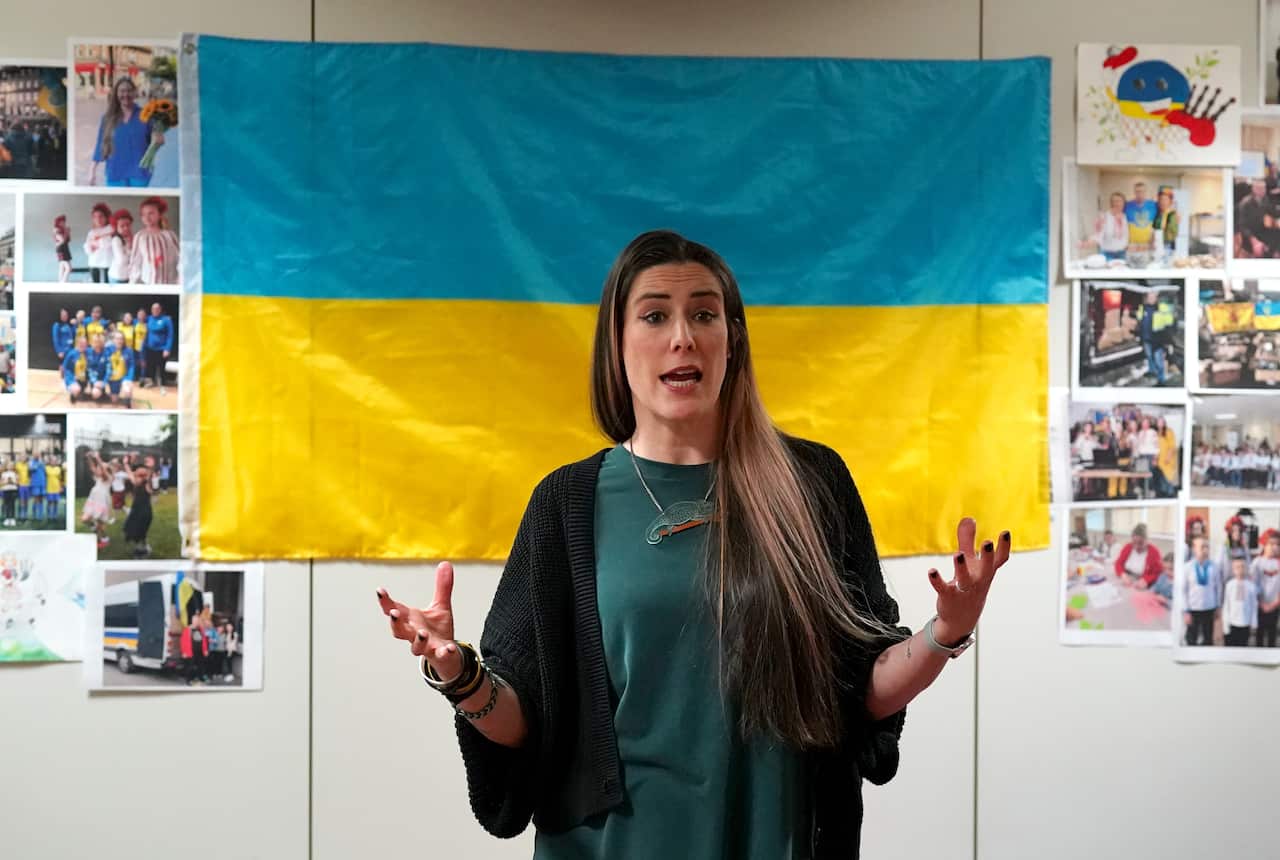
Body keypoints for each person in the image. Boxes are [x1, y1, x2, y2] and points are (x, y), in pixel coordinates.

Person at [373, 230, 1012, 858]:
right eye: (655, 315)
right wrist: (457, 672)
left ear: (732, 340)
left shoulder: (811, 483)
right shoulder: (565, 503)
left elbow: (862, 693)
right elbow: (524, 723)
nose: (683, 336)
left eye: (704, 314)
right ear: (617, 344)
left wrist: (946, 631)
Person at [89, 77, 162, 188]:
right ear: (116, 94)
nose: (126, 94)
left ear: (134, 93)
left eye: (129, 90)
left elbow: (154, 141)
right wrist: (92, 171)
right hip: (115, 173)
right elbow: (100, 144)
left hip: (140, 173)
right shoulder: (107, 118)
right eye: (122, 91)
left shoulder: (146, 115)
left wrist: (157, 140)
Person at [130, 197, 179, 285]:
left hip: (169, 283)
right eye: (143, 214)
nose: (147, 217)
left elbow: (181, 258)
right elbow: (135, 262)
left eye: (151, 213)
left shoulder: (169, 235)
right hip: (149, 283)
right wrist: (133, 283)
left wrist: (180, 279)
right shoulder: (140, 236)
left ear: (160, 215)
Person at [1183, 536, 1223, 646]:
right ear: (1194, 549)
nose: (1205, 550)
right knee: (1191, 638)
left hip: (1209, 608)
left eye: (1207, 547)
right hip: (1193, 608)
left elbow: (1218, 588)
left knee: (1208, 639)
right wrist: (1185, 611)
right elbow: (1183, 590)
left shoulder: (1214, 567)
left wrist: (1218, 606)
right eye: (1202, 547)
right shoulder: (1187, 568)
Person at [1135, 291, 1175, 385]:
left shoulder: (1162, 307)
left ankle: (1161, 380)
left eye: (1153, 297)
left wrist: (1166, 315)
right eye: (1149, 297)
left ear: (1156, 298)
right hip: (1146, 338)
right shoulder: (1143, 307)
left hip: (1158, 339)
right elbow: (1139, 319)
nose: (1151, 299)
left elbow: (1169, 322)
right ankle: (1152, 373)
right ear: (1147, 298)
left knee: (1158, 359)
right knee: (1149, 357)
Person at [1221, 556, 1259, 647]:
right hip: (1232, 623)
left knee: (1243, 648)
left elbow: (1254, 606)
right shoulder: (1229, 585)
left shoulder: (1251, 586)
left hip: (1245, 623)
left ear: (1246, 568)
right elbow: (1226, 605)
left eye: (1242, 567)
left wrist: (1254, 623)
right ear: (1233, 569)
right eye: (1237, 567)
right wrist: (1225, 625)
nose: (1240, 570)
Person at [1252, 530, 1280, 648]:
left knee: (1272, 634)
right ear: (1264, 545)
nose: (1275, 547)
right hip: (1260, 605)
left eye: (1277, 544)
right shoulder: (1257, 562)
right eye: (1271, 544)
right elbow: (1253, 584)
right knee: (1260, 633)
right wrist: (1260, 603)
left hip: (1275, 605)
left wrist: (1275, 603)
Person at [80, 450, 114, 549]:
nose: (98, 469)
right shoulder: (98, 478)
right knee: (84, 519)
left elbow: (102, 468)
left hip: (102, 503)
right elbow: (92, 467)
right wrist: (89, 458)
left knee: (101, 526)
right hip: (93, 501)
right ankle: (95, 529)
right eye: (98, 468)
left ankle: (104, 539)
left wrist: (97, 458)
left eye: (100, 468)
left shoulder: (109, 478)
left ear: (106, 470)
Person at [1115, 522, 1161, 589]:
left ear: (1147, 540)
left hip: (1142, 583)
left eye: (1140, 543)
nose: (1136, 546)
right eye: (1134, 542)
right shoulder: (1127, 547)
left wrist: (1146, 580)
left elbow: (1158, 573)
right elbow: (1118, 563)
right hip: (1127, 579)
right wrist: (1122, 574)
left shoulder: (1154, 552)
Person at [143, 302, 174, 393]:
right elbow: (138, 320)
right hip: (150, 348)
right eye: (153, 309)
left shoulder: (166, 320)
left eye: (157, 309)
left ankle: (163, 385)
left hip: (162, 349)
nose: (155, 310)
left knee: (161, 367)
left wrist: (167, 349)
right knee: (151, 366)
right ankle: (152, 382)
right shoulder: (149, 318)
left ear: (160, 309)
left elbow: (170, 335)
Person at [123, 463, 153, 559]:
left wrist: (150, 468)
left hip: (144, 513)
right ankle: (143, 547)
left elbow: (149, 477)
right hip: (136, 512)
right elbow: (129, 473)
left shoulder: (147, 484)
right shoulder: (136, 483)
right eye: (135, 474)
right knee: (132, 530)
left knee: (139, 532)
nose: (135, 475)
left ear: (143, 477)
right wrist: (125, 464)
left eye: (138, 474)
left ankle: (142, 551)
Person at [1091, 192, 1129, 261]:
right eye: (1115, 201)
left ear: (1123, 203)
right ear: (1111, 203)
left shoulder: (1124, 217)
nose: (1117, 204)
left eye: (1120, 201)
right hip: (1107, 253)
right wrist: (1090, 242)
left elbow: (1125, 235)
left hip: (1122, 253)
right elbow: (1098, 235)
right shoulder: (1103, 216)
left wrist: (1126, 246)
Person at [83, 202, 114, 283]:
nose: (98, 219)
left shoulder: (111, 229)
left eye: (101, 216)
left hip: (107, 261)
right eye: (95, 217)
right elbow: (87, 246)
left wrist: (97, 243)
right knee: (95, 283)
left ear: (106, 217)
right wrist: (90, 248)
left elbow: (109, 243)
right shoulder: (92, 232)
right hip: (94, 261)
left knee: (107, 283)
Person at [104, 330, 136, 408]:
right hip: (112, 378)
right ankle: (108, 394)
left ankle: (128, 402)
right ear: (113, 340)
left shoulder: (128, 351)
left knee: (127, 390)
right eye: (117, 339)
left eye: (121, 339)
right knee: (114, 400)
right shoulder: (107, 350)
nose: (119, 341)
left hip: (123, 377)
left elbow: (131, 366)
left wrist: (129, 378)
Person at [1124, 181, 1157, 249]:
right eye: (1138, 191)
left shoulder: (1153, 205)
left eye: (1142, 191)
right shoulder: (1127, 205)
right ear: (1134, 192)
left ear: (1145, 192)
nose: (1140, 194)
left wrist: (1173, 213)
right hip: (1132, 245)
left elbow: (1164, 211)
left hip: (1149, 245)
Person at [61, 335, 92, 404]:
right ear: (77, 344)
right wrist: (64, 378)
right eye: (81, 344)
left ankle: (81, 390)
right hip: (72, 377)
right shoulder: (71, 354)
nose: (83, 345)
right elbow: (63, 367)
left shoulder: (88, 352)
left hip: (83, 377)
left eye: (85, 344)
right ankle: (72, 391)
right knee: (76, 389)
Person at [1153, 416, 1179, 499]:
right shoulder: (1157, 433)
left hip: (1168, 459)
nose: (1160, 423)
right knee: (1162, 478)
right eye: (1158, 422)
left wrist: (1168, 458)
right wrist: (1155, 458)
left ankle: (1171, 494)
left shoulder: (1169, 431)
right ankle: (1164, 495)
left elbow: (1172, 446)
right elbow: (1156, 447)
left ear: (1164, 423)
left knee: (1168, 477)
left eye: (1161, 422)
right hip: (1160, 460)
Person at [108, 209, 134, 284]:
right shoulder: (116, 240)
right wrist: (129, 249)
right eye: (122, 226)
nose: (126, 228)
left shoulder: (130, 237)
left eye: (128, 225)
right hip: (118, 276)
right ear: (116, 227)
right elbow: (121, 260)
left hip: (128, 275)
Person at [1152, 185, 1179, 258]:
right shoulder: (1157, 214)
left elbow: (1174, 233)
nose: (1163, 202)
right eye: (1161, 199)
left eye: (1165, 199)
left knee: (1168, 263)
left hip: (1168, 246)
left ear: (1170, 202)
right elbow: (1154, 229)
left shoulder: (1172, 214)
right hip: (1157, 246)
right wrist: (1153, 241)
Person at [44, 455, 63, 523]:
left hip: (56, 488)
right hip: (49, 488)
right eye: (52, 460)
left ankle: (55, 516)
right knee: (49, 502)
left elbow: (60, 479)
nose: (53, 462)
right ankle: (49, 516)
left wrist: (60, 487)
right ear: (50, 461)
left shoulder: (58, 469)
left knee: (55, 502)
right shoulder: (46, 468)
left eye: (55, 461)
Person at [52, 216, 71, 282]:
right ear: (58, 222)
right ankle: (63, 282)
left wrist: (67, 232)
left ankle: (60, 282)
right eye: (62, 222)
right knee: (68, 268)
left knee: (62, 267)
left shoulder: (62, 230)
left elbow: (68, 240)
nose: (64, 223)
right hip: (61, 250)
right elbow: (62, 240)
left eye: (64, 222)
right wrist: (66, 231)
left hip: (64, 248)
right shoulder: (57, 230)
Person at [0, 459, 16, 528]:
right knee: (6, 505)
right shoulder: (4, 474)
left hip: (13, 490)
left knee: (12, 505)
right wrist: (6, 482)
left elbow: (17, 482)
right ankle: (7, 518)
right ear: (6, 466)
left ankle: (12, 519)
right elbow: (1, 483)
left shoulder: (15, 473)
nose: (10, 467)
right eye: (8, 465)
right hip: (6, 490)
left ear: (13, 466)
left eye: (11, 465)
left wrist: (12, 481)